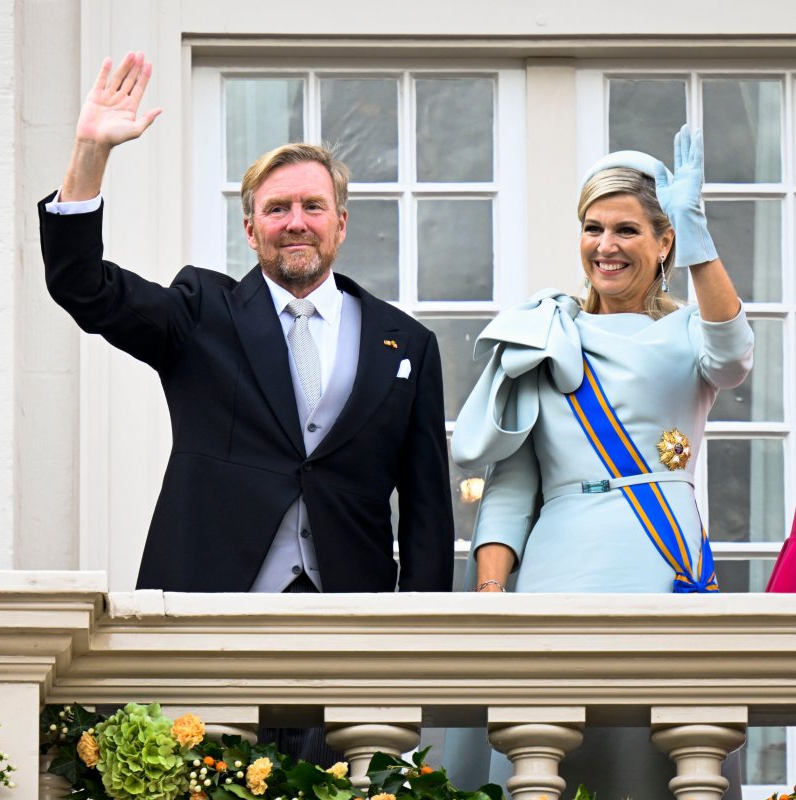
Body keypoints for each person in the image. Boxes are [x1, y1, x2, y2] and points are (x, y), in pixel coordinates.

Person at [39, 52, 454, 594]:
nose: (296, 222)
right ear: (251, 229)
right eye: (278, 208)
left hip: (354, 617)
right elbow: (82, 286)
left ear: (341, 224)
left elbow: (427, 509)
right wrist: (90, 153)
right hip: (210, 606)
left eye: (314, 206)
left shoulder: (406, 346)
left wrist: (419, 637)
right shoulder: (201, 312)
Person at [449, 126, 752, 796]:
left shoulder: (689, 330)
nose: (606, 247)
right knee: (547, 758)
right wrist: (493, 597)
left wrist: (701, 236)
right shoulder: (546, 331)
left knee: (664, 756)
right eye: (592, 228)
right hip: (559, 569)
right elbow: (509, 486)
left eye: (627, 230)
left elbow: (733, 357)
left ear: (663, 240)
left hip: (661, 564)